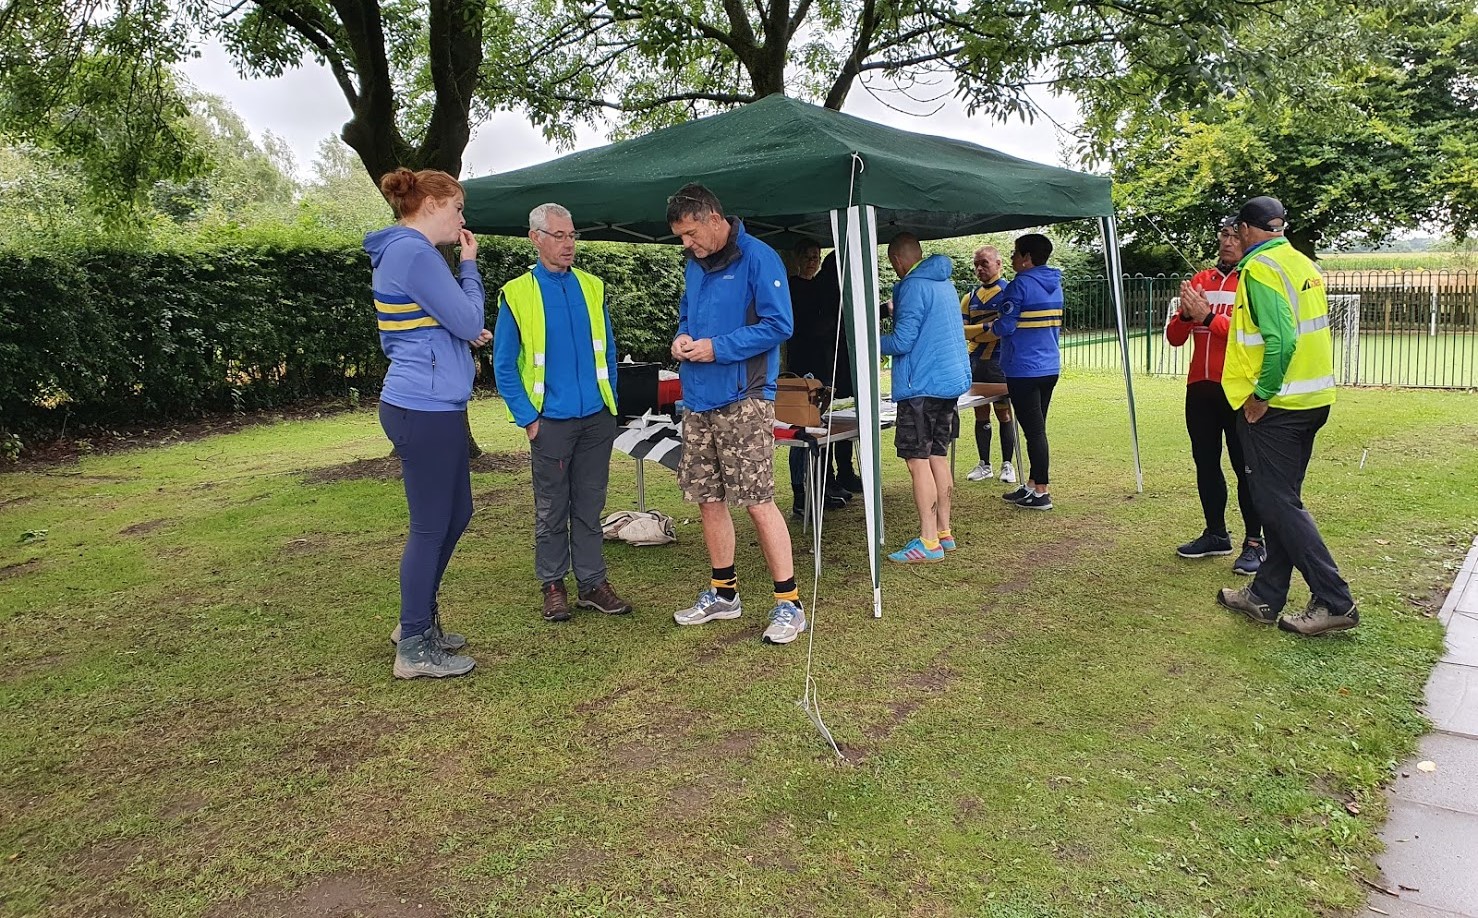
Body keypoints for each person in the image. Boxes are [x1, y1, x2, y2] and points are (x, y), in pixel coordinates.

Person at [1188, 195, 1358, 636]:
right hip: (1312, 399)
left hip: (1278, 407)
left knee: (1277, 503)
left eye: (1235, 231)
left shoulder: (1260, 269)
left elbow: (1280, 339)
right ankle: (1265, 596)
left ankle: (1335, 599)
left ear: (1246, 229)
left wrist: (1262, 394)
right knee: (1280, 501)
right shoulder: (1301, 263)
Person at [664, 184, 804, 645]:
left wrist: (717, 348)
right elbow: (687, 315)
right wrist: (682, 339)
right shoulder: (694, 265)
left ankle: (789, 603)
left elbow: (779, 325)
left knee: (757, 499)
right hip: (699, 398)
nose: (686, 244)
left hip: (745, 398)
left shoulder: (759, 257)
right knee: (708, 498)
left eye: (689, 233)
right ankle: (724, 594)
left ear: (712, 217)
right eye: (681, 237)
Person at [365, 167, 490, 680]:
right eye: (458, 207)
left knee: (456, 514)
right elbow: (464, 319)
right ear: (433, 203)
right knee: (432, 525)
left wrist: (463, 324)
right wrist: (469, 266)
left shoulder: (407, 253)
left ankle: (415, 621)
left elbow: (448, 323)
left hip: (431, 403)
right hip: (423, 406)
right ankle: (414, 644)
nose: (462, 219)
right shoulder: (414, 252)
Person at [493, 203, 632, 624]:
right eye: (559, 235)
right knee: (551, 508)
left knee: (589, 506)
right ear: (535, 238)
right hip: (549, 422)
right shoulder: (516, 294)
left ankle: (592, 584)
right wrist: (529, 419)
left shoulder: (593, 286)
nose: (568, 243)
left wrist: (610, 404)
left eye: (572, 235)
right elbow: (503, 364)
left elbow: (606, 349)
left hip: (595, 419)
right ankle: (553, 585)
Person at [1169, 217, 1265, 574]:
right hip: (1200, 388)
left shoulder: (1254, 279)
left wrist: (1207, 316)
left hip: (1239, 390)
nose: (1227, 241)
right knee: (1206, 463)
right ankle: (1216, 533)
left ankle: (1255, 542)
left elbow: (1247, 334)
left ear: (1246, 238)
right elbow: (1175, 338)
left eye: (1233, 235)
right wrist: (1184, 314)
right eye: (1222, 235)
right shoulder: (1201, 280)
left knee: (1246, 468)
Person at [880, 233, 972, 563]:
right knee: (937, 456)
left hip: (921, 386)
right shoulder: (944, 282)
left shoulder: (911, 286)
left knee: (917, 462)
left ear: (897, 261)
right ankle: (944, 533)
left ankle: (928, 541)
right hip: (949, 384)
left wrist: (869, 340)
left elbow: (903, 341)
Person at [785, 240, 859, 517]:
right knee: (802, 431)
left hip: (823, 367)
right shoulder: (793, 287)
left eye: (816, 256)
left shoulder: (820, 287)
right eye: (807, 256)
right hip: (803, 370)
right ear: (797, 258)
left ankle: (823, 484)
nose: (812, 261)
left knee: (820, 429)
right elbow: (809, 327)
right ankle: (801, 495)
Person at [991, 233, 1063, 511]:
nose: (1011, 258)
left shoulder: (1019, 285)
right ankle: (1032, 484)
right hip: (1049, 366)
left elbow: (1006, 326)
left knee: (1034, 431)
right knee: (1037, 427)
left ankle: (1042, 491)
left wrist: (989, 328)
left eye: (1015, 253)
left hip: (1023, 368)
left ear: (1026, 258)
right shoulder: (1054, 283)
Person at [960, 244, 1017, 485]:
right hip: (976, 362)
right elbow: (962, 331)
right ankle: (984, 464)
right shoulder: (969, 298)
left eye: (984, 263)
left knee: (1004, 413)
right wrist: (986, 327)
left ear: (998, 264)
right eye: (976, 264)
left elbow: (1004, 329)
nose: (979, 268)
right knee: (980, 413)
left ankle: (1008, 464)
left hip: (1001, 361)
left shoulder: (1009, 293)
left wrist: (980, 332)